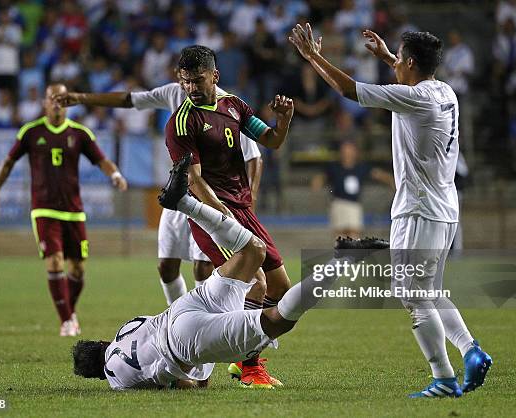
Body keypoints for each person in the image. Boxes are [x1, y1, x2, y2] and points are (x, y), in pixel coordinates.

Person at [289, 23, 492, 397]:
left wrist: (313, 57)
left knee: (411, 294)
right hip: (445, 208)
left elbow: (349, 90)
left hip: (418, 209)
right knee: (428, 291)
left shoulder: (413, 97)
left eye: (399, 58)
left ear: (411, 63)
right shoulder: (445, 91)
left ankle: (444, 377)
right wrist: (386, 57)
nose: (394, 62)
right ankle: (470, 350)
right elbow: (411, 82)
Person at [72, 153, 387, 390]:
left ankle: (342, 261)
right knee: (254, 251)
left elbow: (176, 382)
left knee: (277, 320)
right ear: (101, 341)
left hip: (182, 340)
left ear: (97, 373)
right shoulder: (125, 329)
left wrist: (195, 386)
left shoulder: (116, 377)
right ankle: (186, 204)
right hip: (184, 309)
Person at [52, 80, 263, 307]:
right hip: (181, 195)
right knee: (166, 266)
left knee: (204, 267)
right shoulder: (175, 93)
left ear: (211, 76)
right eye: (183, 76)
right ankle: (178, 319)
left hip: (212, 199)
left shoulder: (227, 106)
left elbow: (254, 157)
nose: (187, 83)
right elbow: (129, 99)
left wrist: (248, 202)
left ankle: (210, 323)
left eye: (193, 76)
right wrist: (81, 98)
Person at [164, 45, 294, 388]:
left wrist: (284, 120)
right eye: (186, 81)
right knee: (256, 284)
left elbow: (271, 140)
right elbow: (193, 177)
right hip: (213, 214)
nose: (191, 87)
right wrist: (219, 214)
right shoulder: (181, 121)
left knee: (280, 288)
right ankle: (249, 366)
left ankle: (241, 355)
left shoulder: (234, 106)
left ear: (214, 76)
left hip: (242, 209)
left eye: (198, 80)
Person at [0, 84, 128, 337]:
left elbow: (101, 159)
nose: (56, 103)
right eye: (52, 98)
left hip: (73, 210)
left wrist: (115, 174)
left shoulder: (79, 133)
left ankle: (68, 312)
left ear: (68, 103)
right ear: (44, 103)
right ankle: (66, 321)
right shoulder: (31, 132)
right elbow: (8, 163)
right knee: (55, 262)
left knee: (78, 269)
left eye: (61, 98)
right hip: (44, 209)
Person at [312, 140, 394, 238]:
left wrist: (390, 181)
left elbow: (377, 174)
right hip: (338, 203)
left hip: (354, 204)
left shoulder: (361, 167)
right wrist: (317, 183)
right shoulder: (334, 167)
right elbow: (322, 177)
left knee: (354, 233)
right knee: (340, 235)